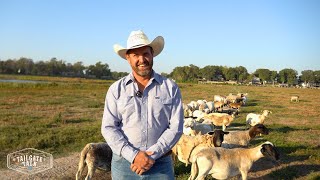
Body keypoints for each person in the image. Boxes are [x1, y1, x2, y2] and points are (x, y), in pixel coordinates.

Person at [101, 30, 184, 180]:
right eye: (135, 55)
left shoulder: (170, 88)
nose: (142, 59)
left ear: (152, 54)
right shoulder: (116, 89)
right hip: (124, 165)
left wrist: (151, 155)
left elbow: (176, 127)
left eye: (145, 53)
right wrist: (133, 156)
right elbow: (108, 127)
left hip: (160, 165)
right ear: (128, 58)